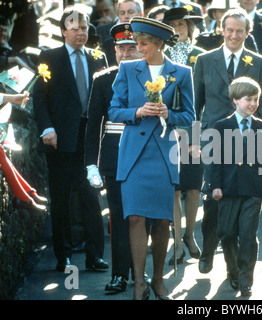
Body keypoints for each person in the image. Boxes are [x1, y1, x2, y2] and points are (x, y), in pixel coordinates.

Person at [108, 16, 195, 300]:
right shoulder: (127, 69)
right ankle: (139, 284)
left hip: (162, 154)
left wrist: (169, 113)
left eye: (143, 43)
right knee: (134, 218)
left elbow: (189, 116)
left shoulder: (181, 73)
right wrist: (137, 112)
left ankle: (158, 280)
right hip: (133, 154)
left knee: (161, 220)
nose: (138, 48)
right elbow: (113, 110)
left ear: (158, 44)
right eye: (137, 43)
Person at [33, 6, 109, 273]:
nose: (80, 32)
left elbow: (106, 99)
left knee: (91, 196)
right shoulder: (49, 57)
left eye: (84, 27)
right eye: (74, 27)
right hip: (60, 140)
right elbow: (39, 98)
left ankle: (94, 255)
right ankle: (63, 255)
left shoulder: (98, 57)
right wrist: (47, 129)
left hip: (91, 140)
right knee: (62, 199)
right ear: (64, 31)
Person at [193, 7, 262, 275]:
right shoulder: (204, 60)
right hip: (213, 138)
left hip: (246, 139)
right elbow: (195, 104)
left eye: (240, 30)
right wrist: (193, 140)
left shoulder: (259, 62)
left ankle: (234, 267)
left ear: (248, 33)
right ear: (221, 30)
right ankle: (208, 251)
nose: (234, 35)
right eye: (230, 29)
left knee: (242, 201)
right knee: (212, 200)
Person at [85, 22, 141, 293]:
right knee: (118, 218)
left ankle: (142, 273)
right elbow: (93, 125)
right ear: (114, 51)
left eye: (132, 48)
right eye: (122, 49)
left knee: (142, 218)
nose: (127, 54)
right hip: (114, 157)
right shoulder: (103, 80)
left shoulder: (154, 77)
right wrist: (90, 163)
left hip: (145, 156)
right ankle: (120, 274)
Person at [210, 76, 262, 297]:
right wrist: (215, 185)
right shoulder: (221, 126)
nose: (253, 104)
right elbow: (215, 160)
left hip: (253, 189)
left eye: (256, 99)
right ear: (235, 100)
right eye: (248, 99)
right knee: (226, 233)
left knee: (247, 234)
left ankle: (246, 279)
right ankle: (233, 269)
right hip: (227, 189)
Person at [162, 6, 204, 265]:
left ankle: (190, 235)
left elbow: (205, 96)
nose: (178, 29)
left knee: (193, 186)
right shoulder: (160, 56)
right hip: (166, 129)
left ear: (190, 28)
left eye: (182, 25)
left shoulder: (201, 56)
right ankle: (176, 241)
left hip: (195, 127)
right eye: (173, 25)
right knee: (173, 189)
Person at [97, 0, 145, 65]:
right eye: (122, 13)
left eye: (130, 12)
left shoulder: (147, 38)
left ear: (141, 15)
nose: (126, 16)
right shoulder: (108, 42)